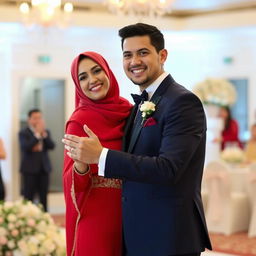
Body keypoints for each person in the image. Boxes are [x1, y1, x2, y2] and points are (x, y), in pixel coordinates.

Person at [63, 23, 212, 256]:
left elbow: (169, 168)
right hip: (133, 230)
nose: (134, 62)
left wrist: (101, 155)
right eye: (128, 55)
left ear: (162, 55)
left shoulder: (182, 102)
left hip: (168, 235)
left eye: (143, 53)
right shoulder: (138, 105)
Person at [63, 51, 131, 256]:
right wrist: (81, 164)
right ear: (77, 84)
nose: (92, 80)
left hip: (131, 215)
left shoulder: (128, 112)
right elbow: (70, 183)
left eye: (96, 71)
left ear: (107, 72)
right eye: (83, 77)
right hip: (96, 220)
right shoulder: (79, 122)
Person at [19, 109, 55, 211]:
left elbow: (52, 146)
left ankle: (44, 219)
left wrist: (44, 135)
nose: (38, 121)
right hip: (29, 170)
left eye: (40, 118)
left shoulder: (46, 132)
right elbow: (25, 147)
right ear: (29, 120)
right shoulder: (23, 132)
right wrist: (37, 135)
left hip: (44, 169)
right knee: (28, 196)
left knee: (43, 197)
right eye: (35, 118)